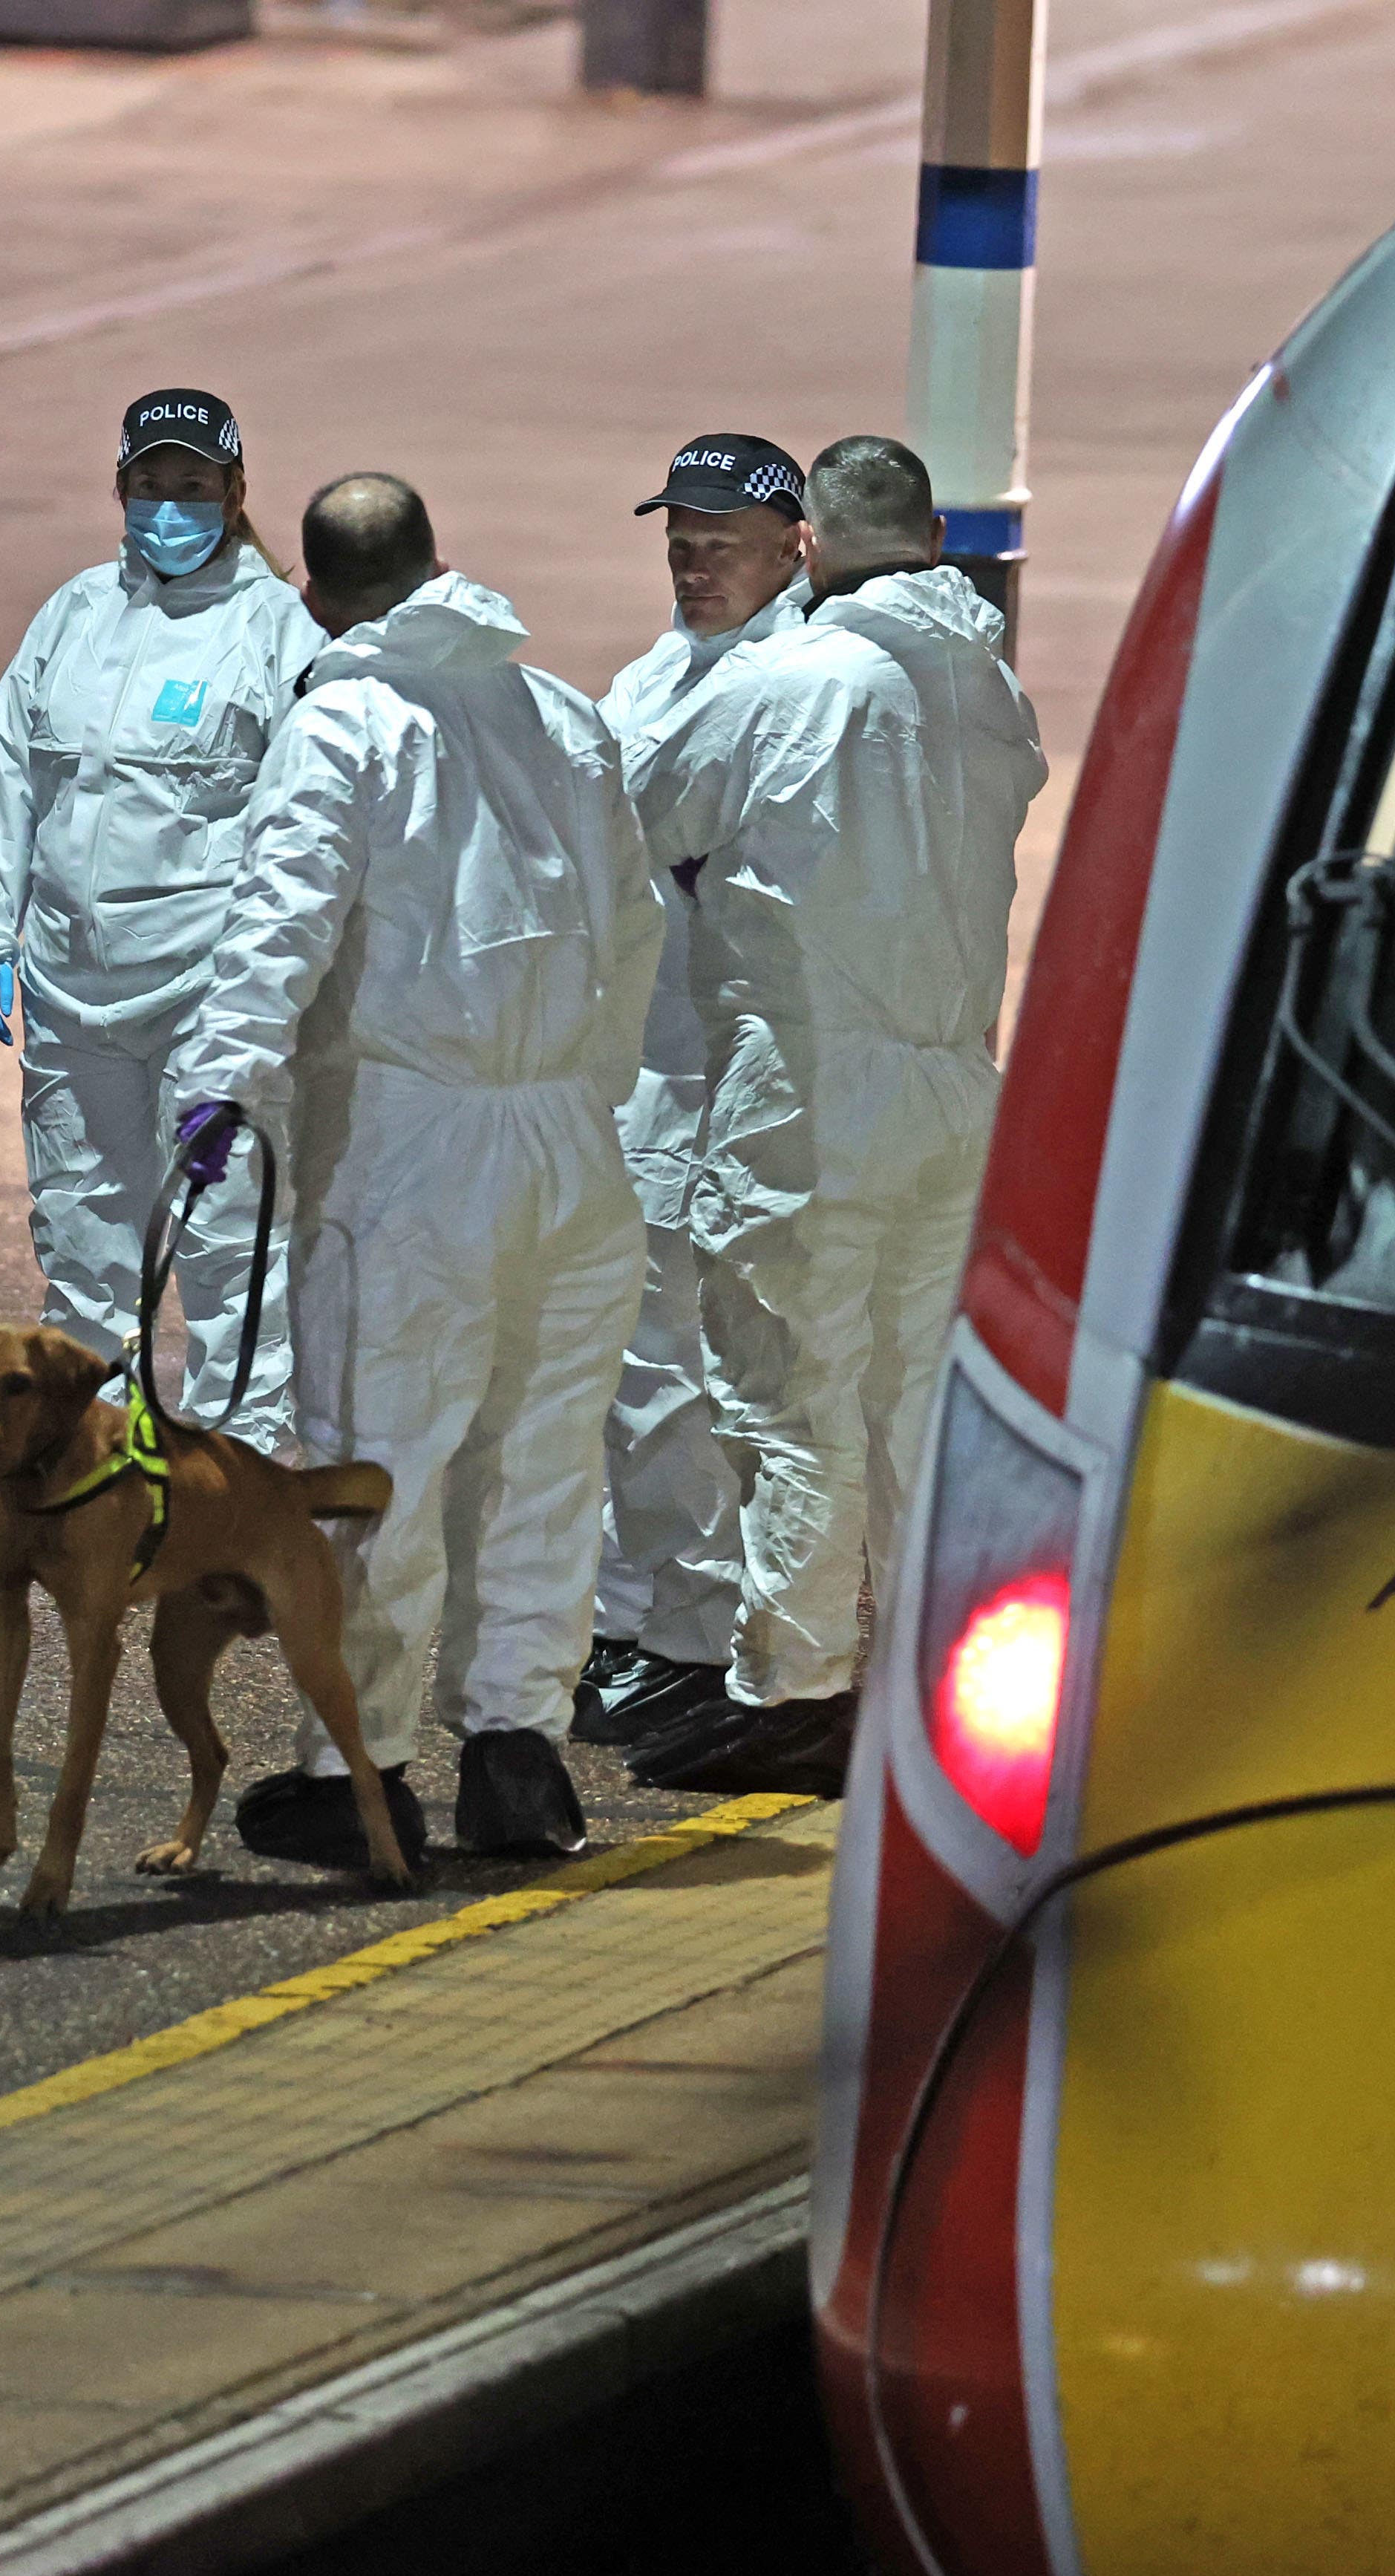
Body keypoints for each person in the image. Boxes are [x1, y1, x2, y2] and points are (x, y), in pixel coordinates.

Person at [171, 475, 664, 1865]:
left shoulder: (343, 722)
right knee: (545, 1462)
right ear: (445, 566)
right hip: (569, 1146)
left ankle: (361, 1770)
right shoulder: (559, 714)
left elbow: (282, 922)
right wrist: (581, 1086)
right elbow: (633, 933)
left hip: (414, 1143)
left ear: (316, 598)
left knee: (377, 1463)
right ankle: (519, 1761)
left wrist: (221, 1088)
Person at [621, 435, 1047, 1796]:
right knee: (916, 1401)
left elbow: (647, 803)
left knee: (790, 1394)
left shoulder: (792, 677)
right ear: (935, 536)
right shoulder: (989, 684)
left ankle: (794, 1688)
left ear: (807, 538)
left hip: (811, 1088)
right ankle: (931, 1683)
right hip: (950, 1086)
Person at [0, 388, 324, 1440]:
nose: (169, 506)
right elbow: (7, 775)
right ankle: (93, 1475)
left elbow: (310, 824)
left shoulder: (279, 629)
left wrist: (282, 981)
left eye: (193, 486)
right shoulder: (74, 614)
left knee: (228, 1242)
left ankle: (231, 1485)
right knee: (82, 1242)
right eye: (149, 485)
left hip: (211, 997)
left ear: (236, 491)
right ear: (119, 488)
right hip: (73, 995)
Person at [575, 433, 811, 1752]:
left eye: (723, 538)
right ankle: (635, 1617)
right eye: (680, 534)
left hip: (708, 1076)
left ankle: (687, 1635)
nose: (694, 557)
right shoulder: (660, 669)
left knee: (685, 1375)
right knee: (626, 1366)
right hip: (638, 1067)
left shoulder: (778, 682)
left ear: (795, 546)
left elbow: (623, 828)